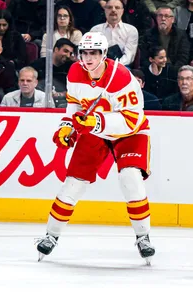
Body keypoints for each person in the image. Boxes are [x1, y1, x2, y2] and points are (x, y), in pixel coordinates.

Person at [35, 31, 155, 262]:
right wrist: (66, 127)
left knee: (130, 178)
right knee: (74, 183)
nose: (88, 58)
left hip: (130, 132)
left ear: (104, 54)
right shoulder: (75, 72)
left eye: (94, 53)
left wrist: (97, 121)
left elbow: (131, 118)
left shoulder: (121, 76)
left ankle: (143, 237)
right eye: (85, 53)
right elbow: (74, 104)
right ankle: (51, 235)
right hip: (95, 130)